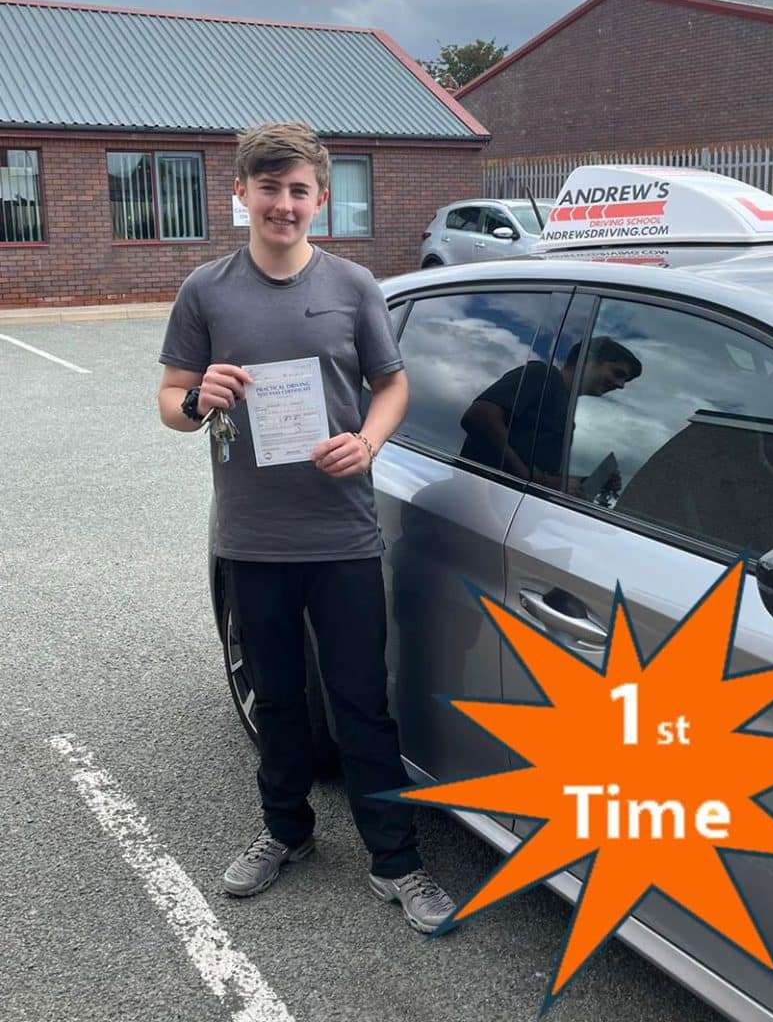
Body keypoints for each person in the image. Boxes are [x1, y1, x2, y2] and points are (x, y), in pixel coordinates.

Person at [155, 121, 454, 933]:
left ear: (321, 199)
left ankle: (395, 860)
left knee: (362, 704)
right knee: (279, 699)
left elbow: (392, 387)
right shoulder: (206, 291)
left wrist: (368, 442)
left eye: (298, 190)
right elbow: (171, 401)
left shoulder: (354, 286)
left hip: (342, 537)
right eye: (269, 188)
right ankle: (286, 831)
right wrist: (198, 398)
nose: (283, 204)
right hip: (252, 539)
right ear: (241, 194)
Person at [460, 336, 643, 493]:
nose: (620, 385)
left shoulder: (566, 411)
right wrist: (534, 480)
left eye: (624, 380)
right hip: (477, 498)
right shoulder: (542, 375)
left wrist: (586, 482)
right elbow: (479, 416)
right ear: (587, 359)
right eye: (617, 373)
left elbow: (539, 470)